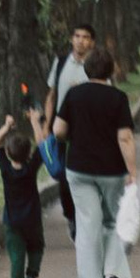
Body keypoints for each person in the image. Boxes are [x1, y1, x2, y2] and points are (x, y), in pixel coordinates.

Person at [54, 41, 140, 278]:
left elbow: (58, 130)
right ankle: (112, 273)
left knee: (87, 225)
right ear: (111, 71)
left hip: (79, 169)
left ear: (87, 70)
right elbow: (124, 137)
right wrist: (132, 170)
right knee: (112, 222)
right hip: (111, 170)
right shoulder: (118, 98)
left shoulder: (73, 95)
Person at [0, 103, 51, 278]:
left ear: (8, 153)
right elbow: (42, 144)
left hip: (12, 221)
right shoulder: (31, 168)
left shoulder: (5, 170)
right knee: (36, 247)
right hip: (32, 220)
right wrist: (35, 121)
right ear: (28, 154)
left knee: (16, 255)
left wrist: (7, 126)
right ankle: (31, 277)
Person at [44, 18, 96, 234]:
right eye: (77, 36)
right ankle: (71, 216)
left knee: (88, 176)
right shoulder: (62, 62)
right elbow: (51, 95)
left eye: (85, 37)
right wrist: (47, 125)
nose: (81, 41)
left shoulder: (97, 65)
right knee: (64, 177)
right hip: (62, 130)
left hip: (89, 130)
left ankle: (89, 216)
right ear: (71, 39)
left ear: (92, 42)